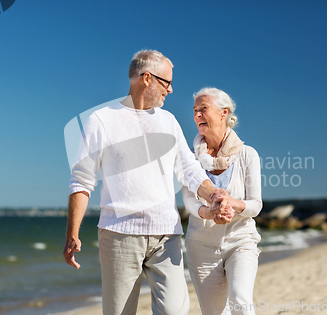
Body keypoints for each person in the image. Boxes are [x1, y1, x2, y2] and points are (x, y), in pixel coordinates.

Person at [63, 50, 235, 315]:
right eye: (166, 83)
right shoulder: (102, 120)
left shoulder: (169, 121)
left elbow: (188, 169)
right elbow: (82, 179)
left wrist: (213, 195)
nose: (170, 90)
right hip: (119, 236)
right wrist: (72, 233)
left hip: (166, 235)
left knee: (175, 312)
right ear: (146, 79)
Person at [181, 87, 262, 315]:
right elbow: (188, 201)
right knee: (214, 312)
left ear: (223, 112)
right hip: (201, 245)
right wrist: (209, 213)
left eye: (203, 109)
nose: (197, 115)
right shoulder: (189, 157)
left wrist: (230, 203)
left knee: (240, 301)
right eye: (195, 110)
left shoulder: (248, 155)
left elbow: (255, 205)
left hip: (240, 241)